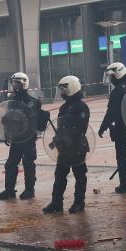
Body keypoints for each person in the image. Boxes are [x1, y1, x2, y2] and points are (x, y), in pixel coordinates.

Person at [43, 76, 90, 214]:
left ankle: (79, 203)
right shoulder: (64, 107)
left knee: (80, 176)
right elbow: (61, 125)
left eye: (64, 89)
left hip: (77, 146)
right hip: (64, 147)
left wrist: (68, 136)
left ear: (71, 89)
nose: (62, 92)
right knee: (59, 176)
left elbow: (81, 127)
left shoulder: (81, 107)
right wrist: (57, 140)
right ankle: (56, 203)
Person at [0, 72, 43, 201]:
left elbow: (32, 120)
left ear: (24, 83)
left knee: (28, 163)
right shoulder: (12, 100)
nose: (15, 86)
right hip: (17, 137)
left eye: (17, 83)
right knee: (10, 164)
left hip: (28, 137)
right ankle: (9, 190)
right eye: (13, 83)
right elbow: (8, 117)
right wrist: (7, 132)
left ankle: (29, 190)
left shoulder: (31, 101)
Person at [98, 62, 126, 194]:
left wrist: (103, 127)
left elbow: (112, 112)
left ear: (118, 74)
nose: (111, 80)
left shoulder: (118, 90)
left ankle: (124, 184)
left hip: (122, 128)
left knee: (121, 156)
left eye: (112, 76)